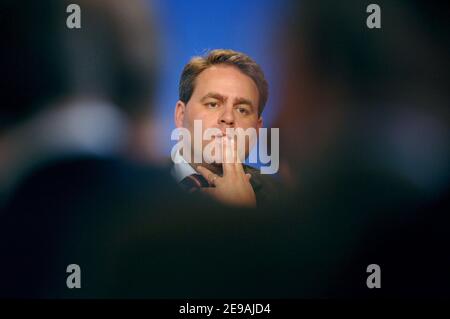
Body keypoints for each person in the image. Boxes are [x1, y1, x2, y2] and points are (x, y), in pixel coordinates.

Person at [171, 49, 280, 208]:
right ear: (181, 115)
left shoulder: (284, 201)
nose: (228, 118)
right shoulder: (133, 190)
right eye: (213, 104)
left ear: (257, 129)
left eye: (242, 110)